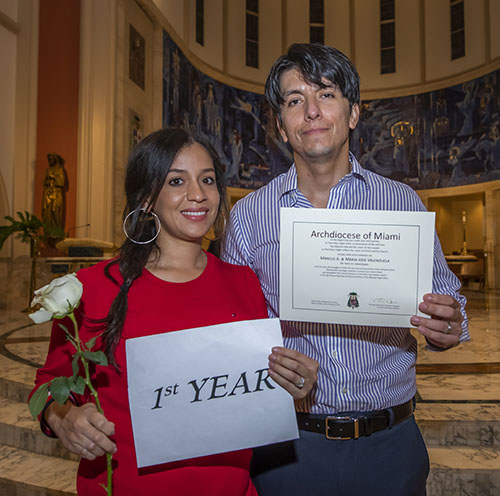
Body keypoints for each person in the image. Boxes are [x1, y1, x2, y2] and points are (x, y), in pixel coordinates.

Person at [221, 43, 470, 496]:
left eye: (327, 94)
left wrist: (450, 323)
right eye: (295, 100)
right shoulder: (249, 216)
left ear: (353, 113)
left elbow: (450, 303)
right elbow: (231, 331)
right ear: (280, 125)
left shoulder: (401, 203)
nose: (311, 111)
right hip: (290, 446)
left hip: (389, 445)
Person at [30, 128, 318, 495]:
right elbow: (47, 386)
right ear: (147, 197)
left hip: (229, 486)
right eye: (177, 181)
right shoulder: (92, 289)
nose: (197, 194)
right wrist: (62, 416)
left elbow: (250, 391)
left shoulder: (244, 282)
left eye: (208, 180)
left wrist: (294, 386)